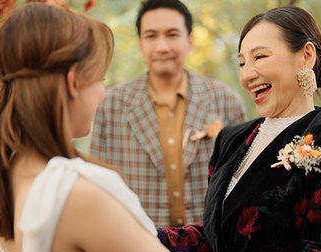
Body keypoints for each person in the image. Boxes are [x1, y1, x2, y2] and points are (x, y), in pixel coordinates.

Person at [160, 6, 321, 252]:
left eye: (260, 57)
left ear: (306, 56)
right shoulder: (229, 140)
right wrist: (145, 237)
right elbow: (217, 237)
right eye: (242, 62)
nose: (247, 74)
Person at [0, 2, 185, 252]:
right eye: (100, 79)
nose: (103, 93)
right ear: (73, 82)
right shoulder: (79, 195)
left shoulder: (8, 170)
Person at [91, 0, 246, 227]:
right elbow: (98, 184)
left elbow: (241, 184)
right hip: (137, 243)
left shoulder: (226, 101)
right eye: (151, 36)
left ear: (190, 41)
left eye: (172, 35)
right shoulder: (111, 104)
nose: (161, 46)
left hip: (209, 247)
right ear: (140, 43)